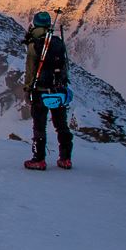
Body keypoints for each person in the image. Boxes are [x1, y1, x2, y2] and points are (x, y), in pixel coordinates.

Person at [23, 11, 72, 170]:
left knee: (39, 126)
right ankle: (65, 159)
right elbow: (64, 66)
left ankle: (39, 159)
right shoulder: (58, 42)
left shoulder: (34, 44)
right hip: (58, 89)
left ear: (35, 24)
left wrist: (27, 88)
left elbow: (30, 69)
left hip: (40, 91)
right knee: (61, 125)